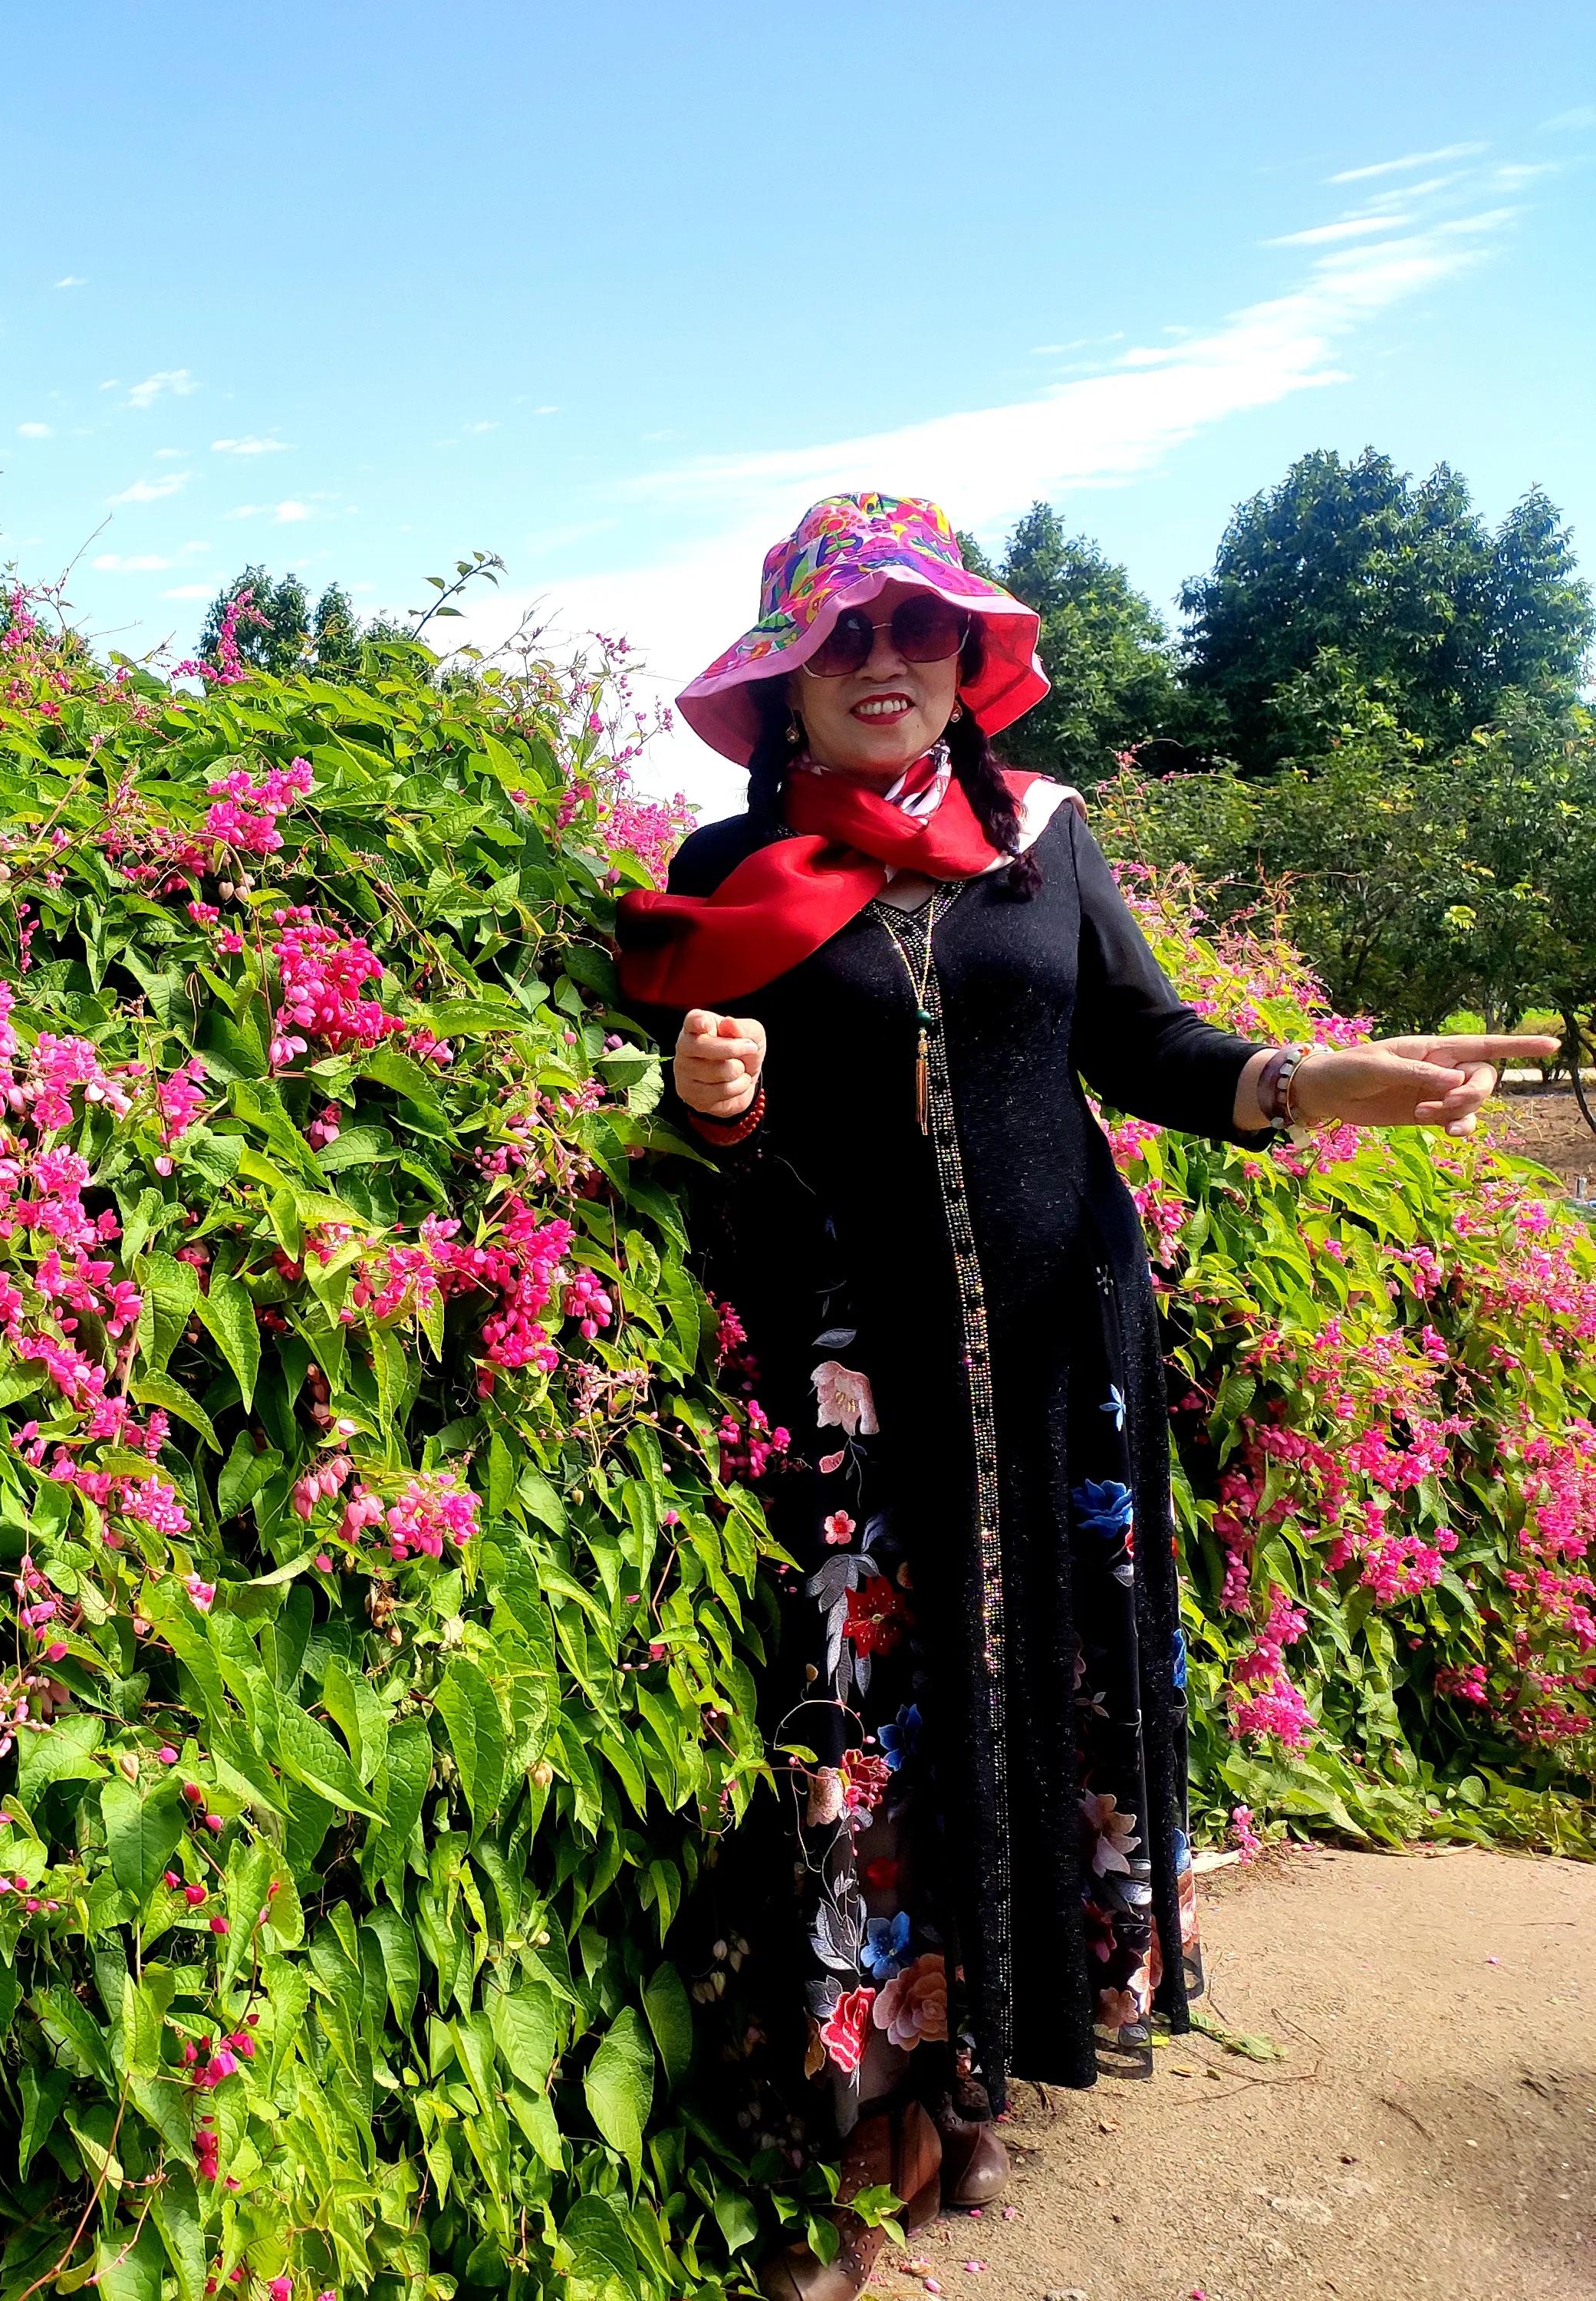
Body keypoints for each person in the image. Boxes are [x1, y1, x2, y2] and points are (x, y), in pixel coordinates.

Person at [613, 492, 1553, 2301]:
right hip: (857, 1381)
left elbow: (1148, 1050)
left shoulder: (1043, 839)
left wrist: (1297, 1079)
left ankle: (992, 2074)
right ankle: (873, 2096)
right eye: (842, 638)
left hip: (1063, 1365)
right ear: (783, 685)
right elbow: (717, 1156)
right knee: (872, 1720)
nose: (884, 663)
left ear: (968, 661)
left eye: (918, 631)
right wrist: (718, 1106)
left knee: (1042, 1683)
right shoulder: (727, 882)